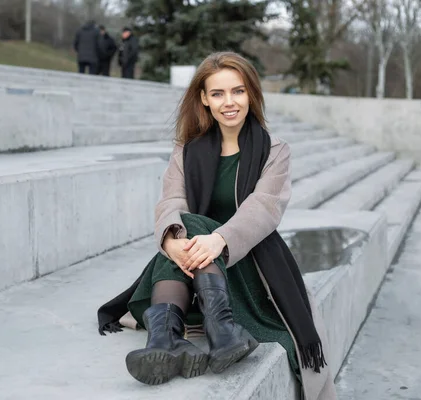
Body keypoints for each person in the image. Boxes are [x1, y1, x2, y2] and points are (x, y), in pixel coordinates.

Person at [97, 52, 337, 400]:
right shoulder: (187, 149)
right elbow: (170, 203)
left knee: (190, 225)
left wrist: (218, 240)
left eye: (238, 92)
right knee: (183, 227)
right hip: (196, 269)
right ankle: (200, 337)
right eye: (219, 94)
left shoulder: (274, 151)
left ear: (251, 95)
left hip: (252, 266)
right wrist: (172, 242)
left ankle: (171, 335)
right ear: (204, 100)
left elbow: (263, 210)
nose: (230, 102)